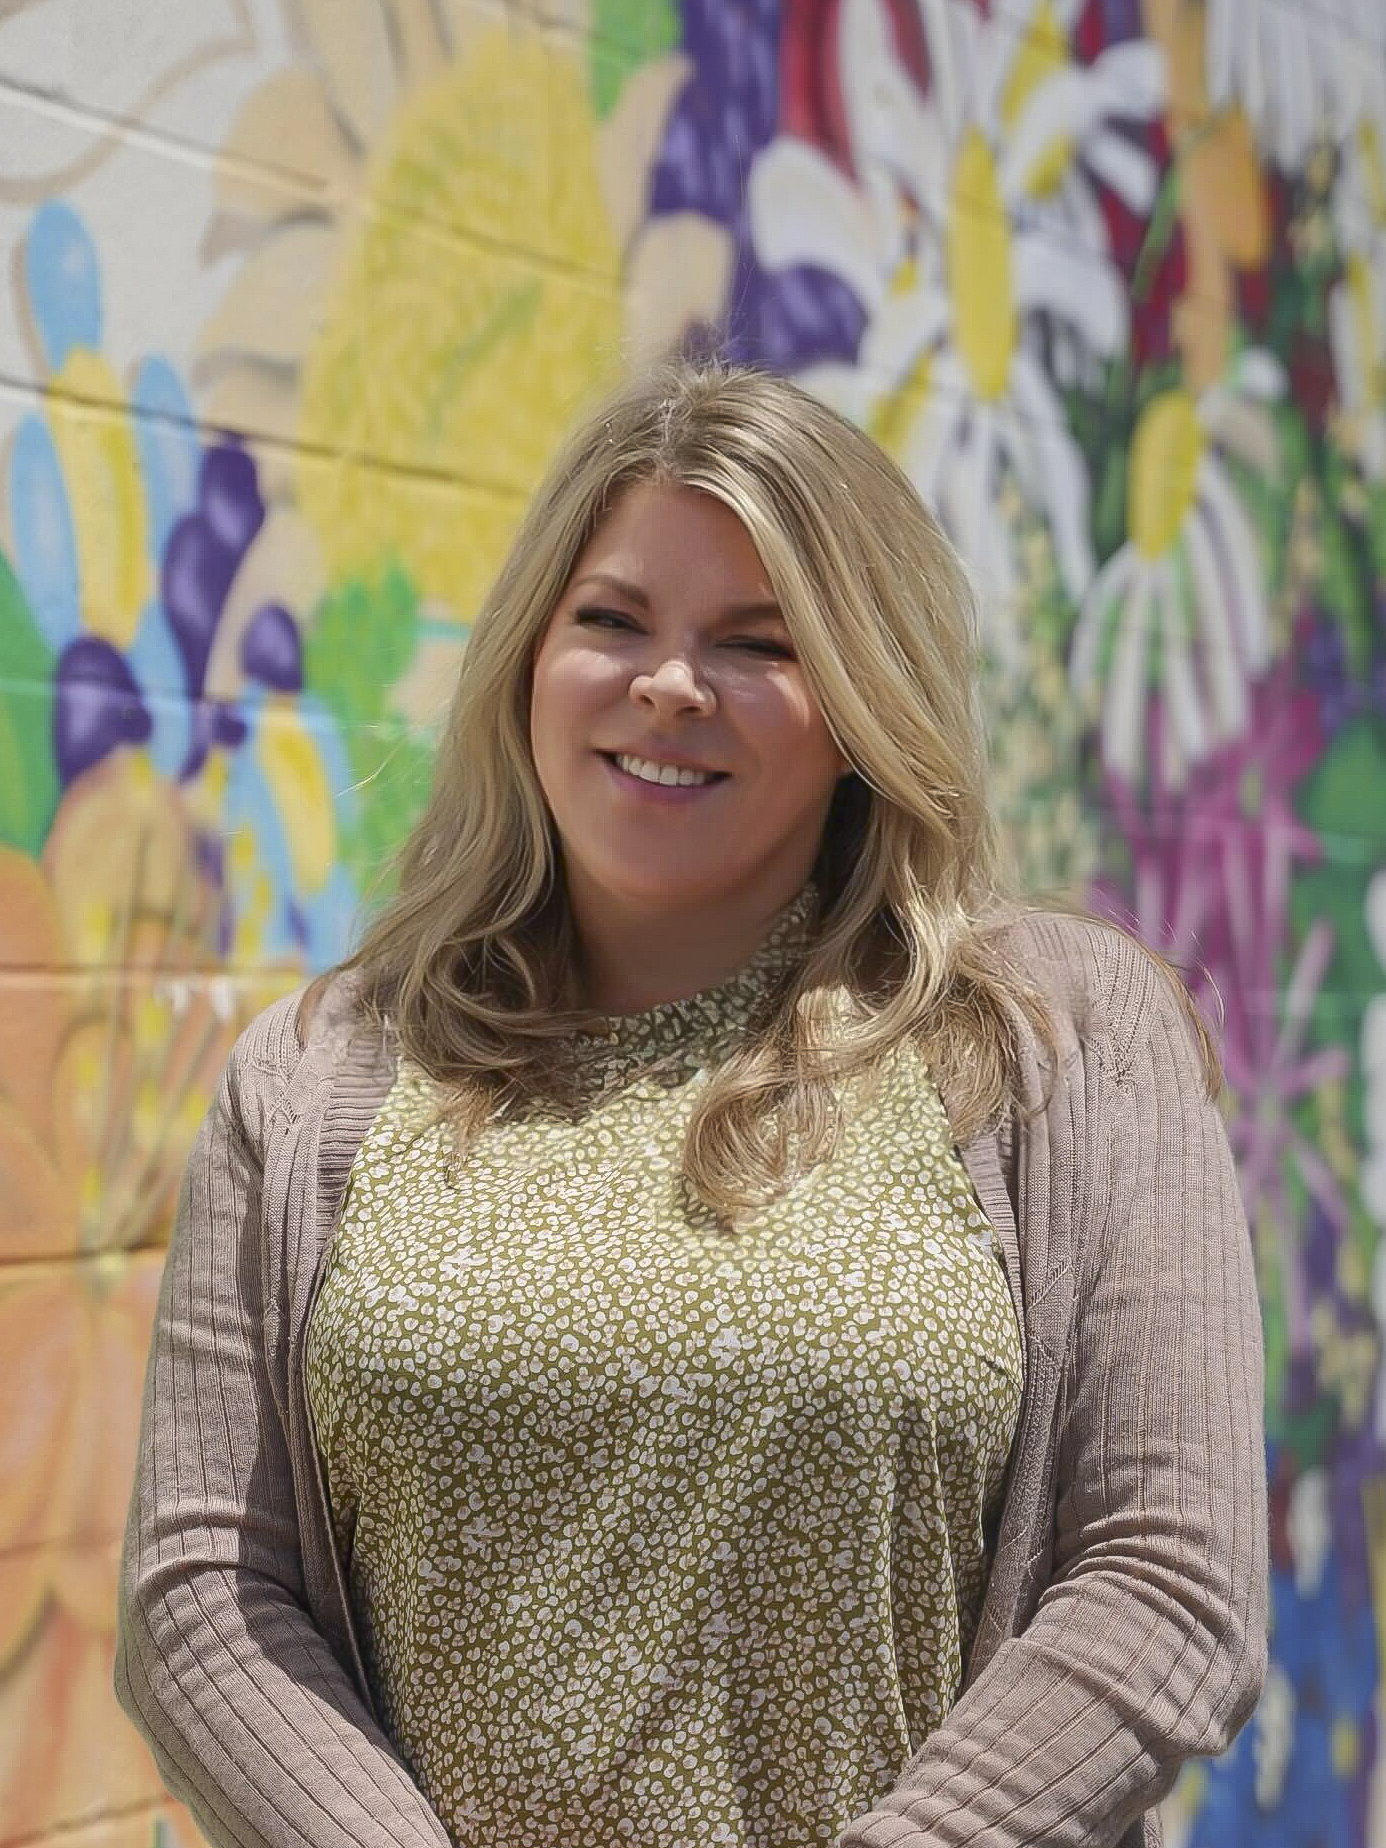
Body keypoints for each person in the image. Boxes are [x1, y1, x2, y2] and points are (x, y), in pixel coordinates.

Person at [115, 356, 1269, 1848]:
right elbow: (202, 1589)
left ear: (859, 704)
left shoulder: (1056, 1040)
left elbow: (1165, 1579)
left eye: (757, 641)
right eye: (610, 620)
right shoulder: (319, 1070)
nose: (668, 683)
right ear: (531, 656)